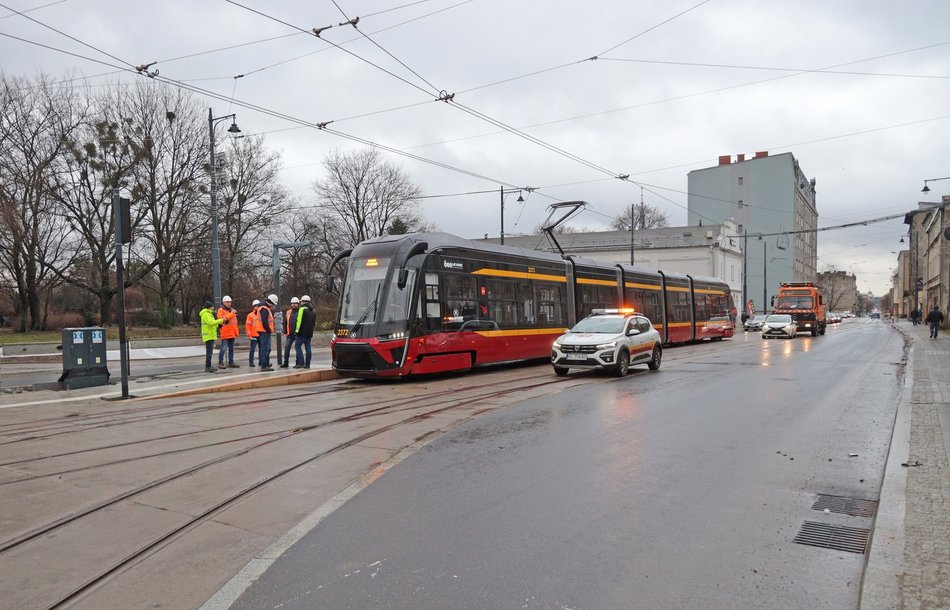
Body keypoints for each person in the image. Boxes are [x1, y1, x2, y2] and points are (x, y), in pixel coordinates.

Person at [199, 300, 224, 373]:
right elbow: (211, 323)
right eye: (212, 306)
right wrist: (221, 320)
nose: (213, 308)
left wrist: (218, 325)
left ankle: (209, 366)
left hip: (210, 335)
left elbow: (212, 324)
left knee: (210, 352)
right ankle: (208, 366)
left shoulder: (208, 314)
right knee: (209, 352)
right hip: (208, 336)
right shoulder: (206, 314)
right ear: (209, 307)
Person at [217, 295, 240, 369]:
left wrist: (236, 332)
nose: (229, 303)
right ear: (223, 302)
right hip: (226, 333)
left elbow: (234, 323)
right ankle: (220, 363)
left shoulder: (231, 310)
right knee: (223, 348)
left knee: (231, 349)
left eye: (230, 302)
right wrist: (232, 313)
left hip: (232, 333)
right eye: (227, 302)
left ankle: (231, 362)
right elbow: (224, 319)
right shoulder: (221, 310)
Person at [294, 294, 316, 369]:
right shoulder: (313, 311)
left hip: (301, 333)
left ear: (303, 302)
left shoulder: (302, 309)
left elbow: (299, 322)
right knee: (308, 348)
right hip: (309, 333)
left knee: (297, 346)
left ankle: (301, 363)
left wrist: (296, 331)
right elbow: (313, 323)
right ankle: (307, 364)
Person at [258, 294, 277, 371]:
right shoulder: (264, 309)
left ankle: (265, 363)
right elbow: (264, 322)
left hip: (263, 331)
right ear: (271, 302)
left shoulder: (264, 308)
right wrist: (269, 330)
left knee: (267, 349)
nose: (273, 306)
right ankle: (264, 365)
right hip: (264, 331)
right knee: (265, 349)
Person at [281, 296, 300, 368]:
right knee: (287, 348)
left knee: (297, 348)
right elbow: (285, 322)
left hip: (297, 334)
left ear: (298, 304)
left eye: (295, 303)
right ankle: (286, 362)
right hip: (290, 334)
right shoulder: (288, 312)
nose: (293, 305)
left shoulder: (300, 312)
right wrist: (285, 331)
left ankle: (298, 362)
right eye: (292, 303)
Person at [245, 299, 261, 367]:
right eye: (256, 306)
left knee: (261, 349)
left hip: (260, 334)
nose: (257, 307)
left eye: (258, 306)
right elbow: (248, 326)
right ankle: (251, 362)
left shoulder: (261, 314)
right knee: (252, 349)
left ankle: (261, 361)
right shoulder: (250, 315)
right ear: (253, 307)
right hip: (254, 335)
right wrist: (249, 335)